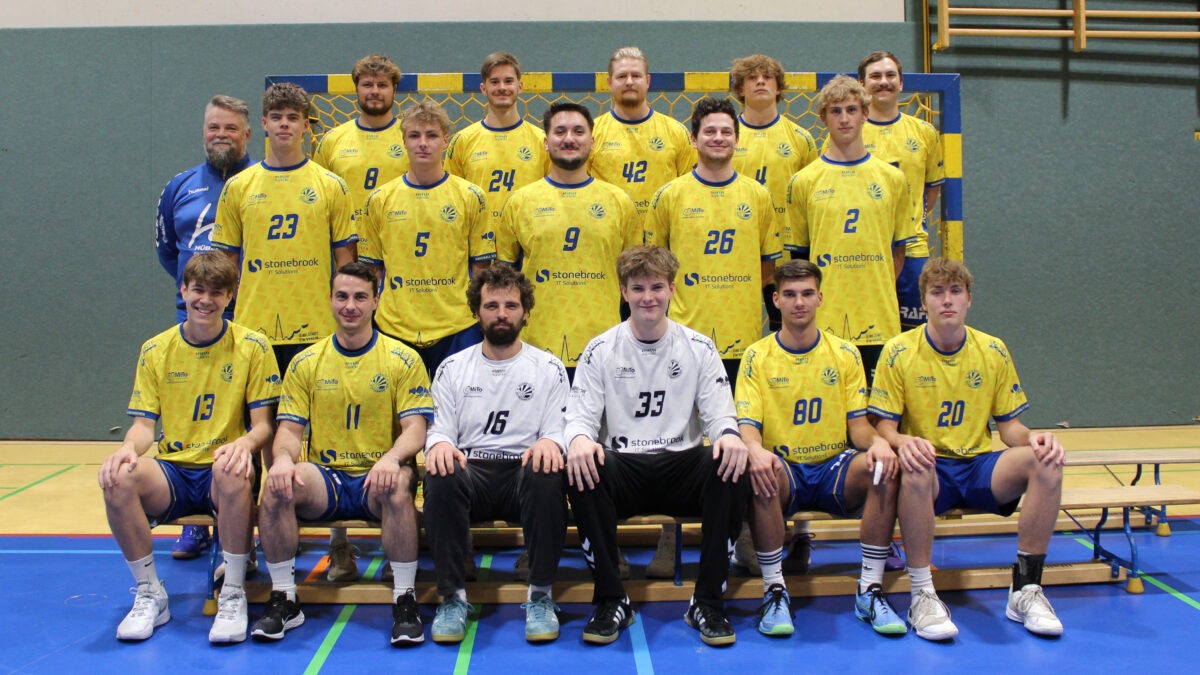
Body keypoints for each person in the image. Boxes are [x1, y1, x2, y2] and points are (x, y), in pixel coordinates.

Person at [869, 258, 1065, 640]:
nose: (947, 300)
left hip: (978, 466)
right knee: (915, 466)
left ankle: (1025, 588)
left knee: (1046, 461)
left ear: (969, 299)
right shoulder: (898, 351)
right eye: (937, 292)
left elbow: (1009, 427)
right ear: (923, 301)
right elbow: (884, 427)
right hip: (931, 469)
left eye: (955, 291)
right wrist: (903, 441)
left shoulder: (992, 350)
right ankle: (922, 594)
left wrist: (1035, 439)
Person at [565, 246, 750, 647]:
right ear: (623, 292)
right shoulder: (600, 349)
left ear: (671, 290)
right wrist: (578, 439)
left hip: (681, 465)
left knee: (731, 461)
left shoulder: (699, 347)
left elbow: (720, 415)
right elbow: (579, 418)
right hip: (624, 466)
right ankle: (611, 599)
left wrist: (729, 435)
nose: (648, 297)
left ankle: (707, 601)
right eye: (638, 288)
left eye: (656, 287)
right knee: (581, 465)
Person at [99, 252, 280, 643]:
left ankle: (233, 591)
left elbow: (264, 425)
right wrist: (128, 449)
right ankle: (150, 592)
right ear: (183, 290)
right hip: (174, 471)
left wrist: (245, 443)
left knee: (232, 469)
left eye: (216, 292)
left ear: (230, 296)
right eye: (198, 290)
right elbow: (144, 427)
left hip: (222, 467)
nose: (206, 300)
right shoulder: (156, 349)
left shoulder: (253, 346)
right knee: (117, 477)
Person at [251, 262, 433, 645]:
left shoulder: (402, 359)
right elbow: (289, 432)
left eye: (360, 297)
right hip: (327, 478)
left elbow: (416, 429)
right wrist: (282, 459)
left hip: (377, 475)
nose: (350, 305)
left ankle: (404, 598)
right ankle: (285, 597)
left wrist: (391, 458)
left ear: (376, 302)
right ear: (331, 300)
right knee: (278, 485)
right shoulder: (306, 362)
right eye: (342, 296)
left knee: (399, 483)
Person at [737, 259, 905, 638]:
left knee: (882, 468)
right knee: (760, 469)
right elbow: (747, 427)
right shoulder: (757, 356)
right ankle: (774, 591)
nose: (799, 302)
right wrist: (755, 451)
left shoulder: (845, 353)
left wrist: (880, 444)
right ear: (776, 300)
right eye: (790, 294)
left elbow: (858, 429)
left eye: (807, 294)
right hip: (784, 466)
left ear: (820, 298)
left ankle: (869, 589)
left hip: (832, 465)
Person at [422, 265, 569, 643]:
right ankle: (452, 598)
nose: (501, 314)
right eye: (491, 306)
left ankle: (541, 595)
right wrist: (440, 444)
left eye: (510, 305)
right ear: (476, 312)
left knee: (548, 470)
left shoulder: (549, 367)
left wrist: (550, 443)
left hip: (524, 471)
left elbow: (558, 430)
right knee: (440, 472)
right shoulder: (452, 368)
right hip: (472, 471)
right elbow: (439, 430)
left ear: (525, 312)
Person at [154, 94, 255, 559]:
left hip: (248, 317)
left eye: (231, 128)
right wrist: (199, 295)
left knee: (245, 423)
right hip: (193, 319)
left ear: (247, 134)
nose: (221, 135)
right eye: (214, 127)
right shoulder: (179, 187)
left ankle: (247, 523)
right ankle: (196, 522)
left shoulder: (260, 181)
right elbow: (168, 252)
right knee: (190, 419)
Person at [212, 82, 357, 376]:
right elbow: (226, 262)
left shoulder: (332, 185)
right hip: (254, 326)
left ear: (305, 125)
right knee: (260, 408)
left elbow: (346, 262)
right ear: (264, 123)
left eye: (292, 117)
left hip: (317, 325)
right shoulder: (238, 186)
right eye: (276, 117)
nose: (284, 124)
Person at [784, 75, 917, 386]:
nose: (844, 118)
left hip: (878, 317)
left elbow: (899, 251)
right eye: (835, 111)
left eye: (851, 110)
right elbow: (800, 259)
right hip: (825, 320)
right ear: (823, 118)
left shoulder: (892, 179)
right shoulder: (803, 181)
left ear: (865, 114)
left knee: (878, 412)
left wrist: (874, 284)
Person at [497, 101, 640, 371]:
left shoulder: (619, 202)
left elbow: (634, 280)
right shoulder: (520, 202)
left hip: (605, 349)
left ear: (592, 142)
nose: (569, 139)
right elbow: (505, 280)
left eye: (578, 131)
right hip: (535, 350)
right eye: (560, 131)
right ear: (546, 142)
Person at [645, 95, 780, 383]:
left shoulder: (758, 195)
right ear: (693, 139)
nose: (718, 137)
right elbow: (653, 270)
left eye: (726, 132)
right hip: (683, 337)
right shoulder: (668, 196)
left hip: (743, 336)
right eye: (709, 131)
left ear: (737, 139)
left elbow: (767, 268)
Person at [359, 99, 494, 379]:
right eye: (414, 135)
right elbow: (373, 270)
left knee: (461, 406)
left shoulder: (471, 196)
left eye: (431, 135)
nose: (423, 143)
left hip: (457, 326)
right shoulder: (379, 199)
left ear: (445, 141)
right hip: (395, 326)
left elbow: (481, 268)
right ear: (403, 141)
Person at [858, 50, 944, 331]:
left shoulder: (924, 132)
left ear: (901, 82)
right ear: (862, 84)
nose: (883, 82)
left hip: (913, 249)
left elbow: (932, 189)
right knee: (866, 332)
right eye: (875, 76)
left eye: (890, 75)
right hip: (862, 251)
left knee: (914, 333)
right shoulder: (849, 132)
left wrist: (910, 221)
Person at [446, 52, 549, 234]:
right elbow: (450, 198)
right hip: (478, 244)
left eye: (508, 81)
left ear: (520, 86)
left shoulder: (542, 140)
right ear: (483, 88)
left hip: (527, 242)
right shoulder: (462, 141)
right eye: (494, 82)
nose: (502, 87)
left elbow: (552, 196)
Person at [589, 46, 696, 220]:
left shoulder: (676, 132)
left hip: (662, 234)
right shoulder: (591, 133)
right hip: (610, 232)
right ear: (609, 82)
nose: (629, 82)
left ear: (647, 80)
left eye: (636, 75)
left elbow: (690, 190)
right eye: (622, 76)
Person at [314, 54, 410, 232]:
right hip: (348, 242)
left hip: (399, 240)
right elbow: (320, 199)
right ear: (356, 89)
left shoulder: (412, 137)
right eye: (367, 85)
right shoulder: (332, 140)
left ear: (394, 89)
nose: (375, 91)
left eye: (382, 85)